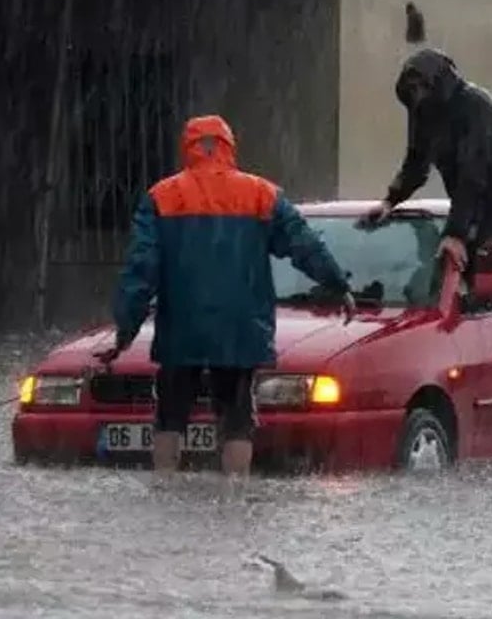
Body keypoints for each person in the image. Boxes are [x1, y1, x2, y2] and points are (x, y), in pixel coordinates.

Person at [95, 115, 354, 482]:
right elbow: (304, 245)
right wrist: (338, 284)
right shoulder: (262, 194)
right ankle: (236, 494)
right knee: (237, 418)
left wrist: (125, 330)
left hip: (182, 327)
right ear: (229, 147)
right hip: (240, 328)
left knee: (169, 416)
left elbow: (141, 270)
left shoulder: (162, 197)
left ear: (187, 148)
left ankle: (164, 488)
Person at [361, 48, 492, 284]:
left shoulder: (476, 108)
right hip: (476, 208)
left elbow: (472, 174)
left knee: (490, 282)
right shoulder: (423, 112)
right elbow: (416, 162)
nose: (418, 95)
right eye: (412, 89)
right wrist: (390, 201)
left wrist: (456, 233)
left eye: (422, 86)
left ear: (440, 84)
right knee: (459, 275)